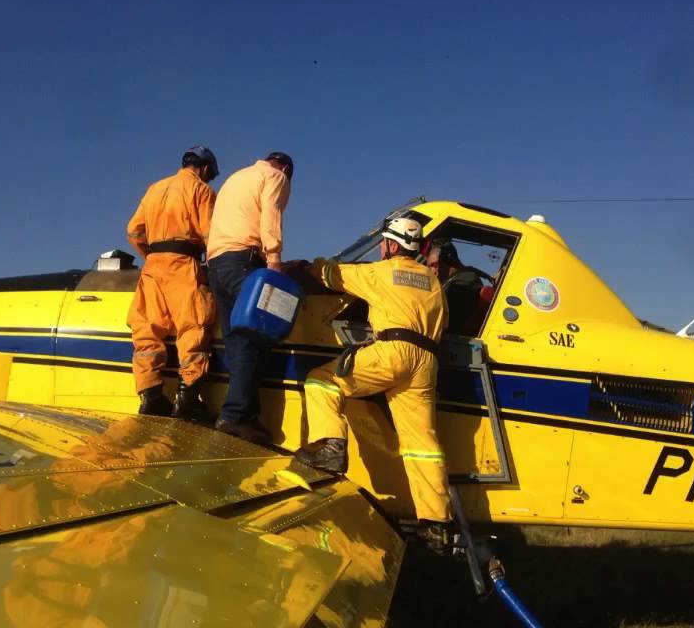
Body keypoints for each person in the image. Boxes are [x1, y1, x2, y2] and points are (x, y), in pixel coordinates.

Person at [292, 215, 454, 547]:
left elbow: (333, 274)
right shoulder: (434, 284)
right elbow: (444, 321)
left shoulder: (381, 272)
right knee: (422, 444)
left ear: (393, 245)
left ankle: (330, 446)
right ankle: (436, 521)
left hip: (391, 353)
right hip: (426, 363)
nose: (382, 247)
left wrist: (306, 267)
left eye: (384, 242)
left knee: (322, 381)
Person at [205, 151, 294, 444]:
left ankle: (246, 412)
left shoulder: (236, 178)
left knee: (235, 338)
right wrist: (275, 262)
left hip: (216, 263)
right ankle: (236, 415)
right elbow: (271, 214)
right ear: (284, 168)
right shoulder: (276, 176)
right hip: (245, 259)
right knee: (254, 337)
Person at [124, 146, 219, 422]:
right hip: (182, 266)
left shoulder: (155, 188)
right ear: (204, 168)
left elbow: (134, 230)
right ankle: (188, 399)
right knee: (193, 327)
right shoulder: (201, 191)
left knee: (146, 331)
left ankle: (151, 396)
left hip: (152, 267)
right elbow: (210, 234)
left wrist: (151, 256)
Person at [425, 239, 485, 336]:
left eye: (435, 265)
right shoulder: (453, 281)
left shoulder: (465, 281)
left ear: (449, 259)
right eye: (429, 267)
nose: (432, 271)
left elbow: (443, 315)